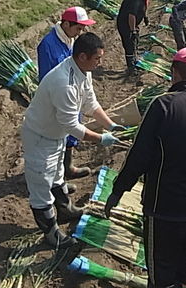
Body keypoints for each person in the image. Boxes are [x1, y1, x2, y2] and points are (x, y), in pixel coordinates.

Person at [104, 48, 186, 288]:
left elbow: (139, 157)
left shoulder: (163, 106)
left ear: (174, 73)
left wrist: (118, 190)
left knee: (162, 266)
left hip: (165, 208)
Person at [21, 33, 124, 248]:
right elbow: (71, 126)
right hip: (40, 137)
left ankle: (65, 211)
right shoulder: (63, 84)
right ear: (83, 56)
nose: (100, 62)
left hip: (55, 135)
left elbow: (90, 102)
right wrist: (100, 138)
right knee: (42, 186)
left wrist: (109, 124)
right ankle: (52, 235)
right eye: (98, 58)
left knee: (57, 174)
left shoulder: (82, 71)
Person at [37, 6, 96, 181]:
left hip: (72, 95)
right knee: (56, 138)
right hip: (58, 99)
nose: (80, 33)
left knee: (69, 133)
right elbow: (50, 79)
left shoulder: (68, 40)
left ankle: (66, 168)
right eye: (78, 28)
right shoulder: (48, 46)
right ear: (67, 24)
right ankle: (54, 179)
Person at [116, 0, 159, 74]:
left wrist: (145, 17)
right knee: (129, 44)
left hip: (131, 24)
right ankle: (131, 67)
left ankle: (135, 62)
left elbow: (144, 7)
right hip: (125, 25)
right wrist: (133, 30)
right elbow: (131, 15)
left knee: (134, 42)